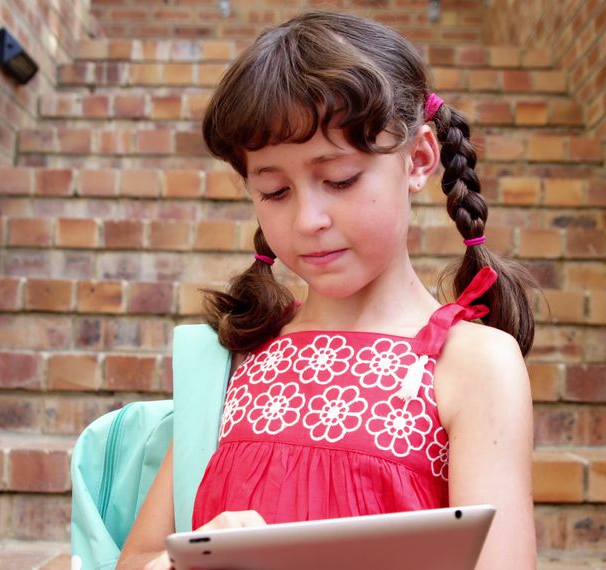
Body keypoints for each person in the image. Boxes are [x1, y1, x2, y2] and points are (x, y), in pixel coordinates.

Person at [118, 11, 538, 570]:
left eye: (339, 180)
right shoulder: (238, 356)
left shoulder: (474, 364)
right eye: (273, 190)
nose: (308, 218)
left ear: (418, 159)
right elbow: (137, 557)